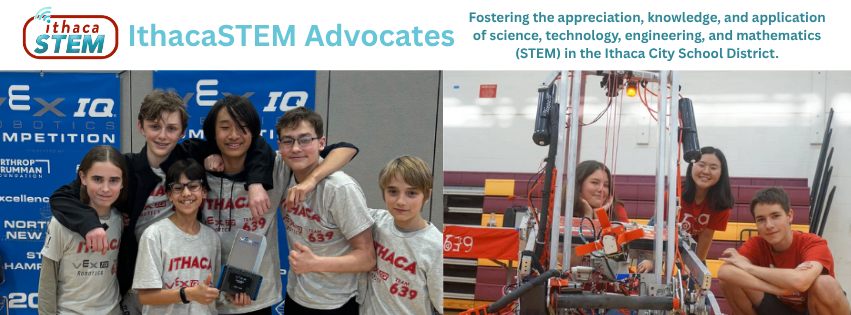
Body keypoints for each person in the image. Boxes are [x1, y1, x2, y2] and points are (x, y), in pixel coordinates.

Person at [47, 90, 277, 314]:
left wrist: (255, 183)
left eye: (172, 128)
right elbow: (61, 196)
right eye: (155, 126)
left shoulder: (191, 155)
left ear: (182, 131)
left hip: (188, 274)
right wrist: (91, 223)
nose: (163, 136)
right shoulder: (123, 168)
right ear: (141, 127)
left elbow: (255, 144)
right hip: (141, 280)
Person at [200, 96, 360, 315]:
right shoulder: (196, 169)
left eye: (242, 128)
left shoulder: (277, 166)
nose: (234, 135)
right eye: (225, 128)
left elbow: (346, 149)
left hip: (255, 296)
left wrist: (311, 181)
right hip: (203, 291)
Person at [276, 106, 376, 314]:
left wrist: (315, 263)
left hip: (336, 302)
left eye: (305, 140)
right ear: (280, 146)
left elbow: (367, 258)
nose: (296, 148)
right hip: (296, 295)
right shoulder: (282, 174)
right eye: (288, 141)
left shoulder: (340, 189)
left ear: (321, 143)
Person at [718, 187, 849, 315]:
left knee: (825, 284)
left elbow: (800, 282)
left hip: (811, 309)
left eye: (775, 216)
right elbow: (725, 272)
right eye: (761, 219)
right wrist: (780, 289)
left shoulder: (812, 243)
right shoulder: (756, 243)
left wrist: (748, 268)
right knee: (730, 281)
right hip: (777, 308)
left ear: (789, 216)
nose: (769, 225)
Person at [38, 145, 129, 315]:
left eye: (114, 180)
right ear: (83, 177)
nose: (106, 188)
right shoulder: (61, 223)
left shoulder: (119, 219)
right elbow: (47, 280)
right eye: (97, 179)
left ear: (123, 182)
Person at [133, 159, 222, 314]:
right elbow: (145, 296)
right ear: (169, 195)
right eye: (178, 188)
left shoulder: (212, 238)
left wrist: (232, 298)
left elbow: (213, 292)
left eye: (193, 186)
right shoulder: (154, 235)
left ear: (204, 192)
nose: (186, 193)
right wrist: (188, 294)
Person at [361, 156, 443, 315]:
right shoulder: (376, 221)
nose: (400, 201)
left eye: (411, 193)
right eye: (393, 191)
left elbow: (440, 306)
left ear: (427, 196)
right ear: (384, 192)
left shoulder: (435, 246)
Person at [636, 146, 734, 273]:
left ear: (722, 173)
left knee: (695, 281)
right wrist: (653, 260)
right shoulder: (672, 194)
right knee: (648, 273)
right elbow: (661, 229)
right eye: (701, 165)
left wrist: (693, 267)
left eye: (713, 168)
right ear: (692, 166)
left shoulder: (721, 204)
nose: (706, 171)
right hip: (661, 232)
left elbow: (706, 237)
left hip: (690, 241)